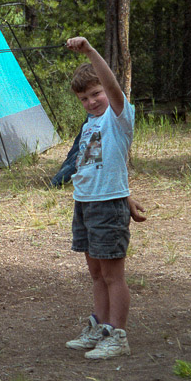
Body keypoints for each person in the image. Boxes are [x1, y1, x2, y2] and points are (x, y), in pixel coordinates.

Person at [63, 37, 136, 360]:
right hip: (86, 203)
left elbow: (113, 87)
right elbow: (103, 165)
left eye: (96, 94)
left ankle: (118, 334)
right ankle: (100, 326)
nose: (92, 101)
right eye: (84, 98)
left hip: (107, 206)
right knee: (95, 273)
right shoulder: (91, 124)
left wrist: (91, 52)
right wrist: (130, 196)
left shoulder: (118, 117)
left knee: (112, 275)